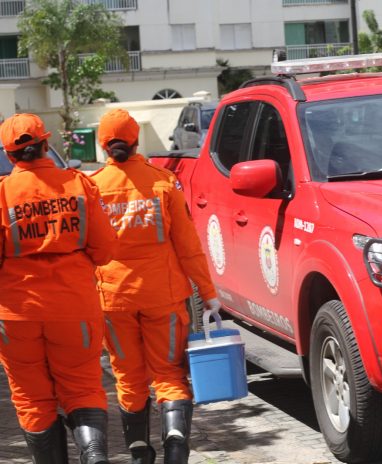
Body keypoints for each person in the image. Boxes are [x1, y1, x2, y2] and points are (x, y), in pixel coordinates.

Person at [91, 109, 220, 464]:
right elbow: (188, 245)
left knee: (128, 377)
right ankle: (176, 450)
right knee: (168, 375)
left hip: (113, 300)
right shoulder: (163, 182)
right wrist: (208, 293)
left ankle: (138, 453)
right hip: (163, 297)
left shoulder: (91, 187)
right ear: (136, 142)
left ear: (103, 145)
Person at [0, 113, 117, 464]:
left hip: (17, 315)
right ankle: (94, 455)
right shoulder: (79, 185)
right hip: (74, 309)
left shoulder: (3, 194)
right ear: (47, 145)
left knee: (32, 398)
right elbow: (106, 250)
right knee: (82, 388)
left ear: (9, 156)